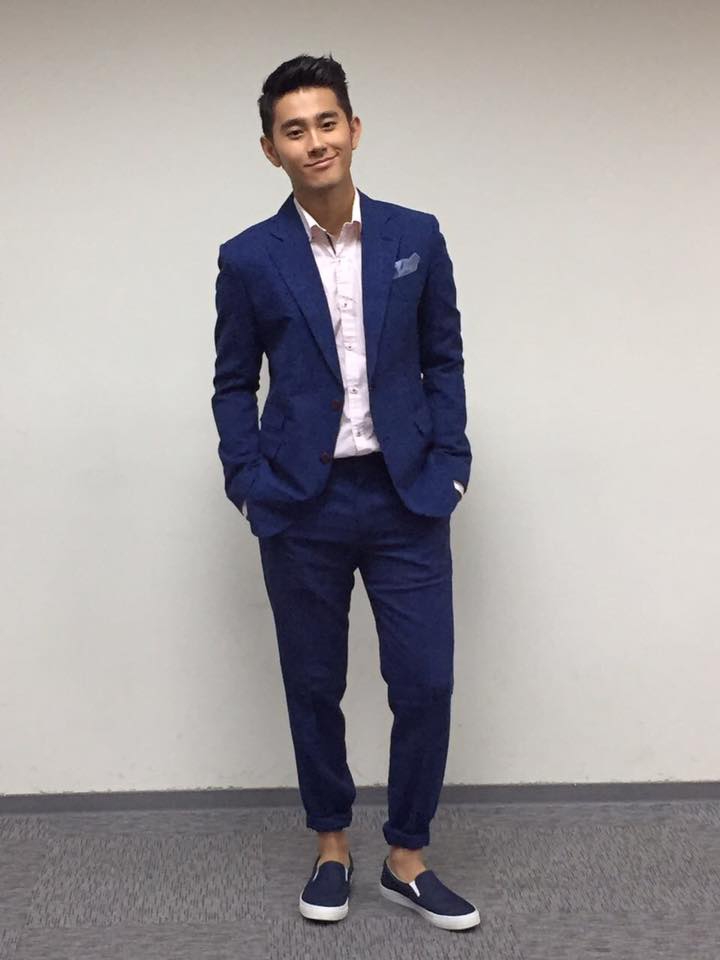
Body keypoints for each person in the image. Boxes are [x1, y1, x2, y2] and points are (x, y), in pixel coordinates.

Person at [211, 53, 479, 931]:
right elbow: (231, 382)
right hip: (302, 504)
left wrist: (450, 462)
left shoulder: (415, 236)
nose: (315, 141)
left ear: (354, 129)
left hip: (406, 497)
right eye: (294, 130)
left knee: (425, 683)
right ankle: (332, 843)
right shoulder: (249, 259)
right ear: (271, 149)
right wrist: (248, 482)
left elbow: (444, 357)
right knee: (313, 683)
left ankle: (407, 856)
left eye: (327, 122)